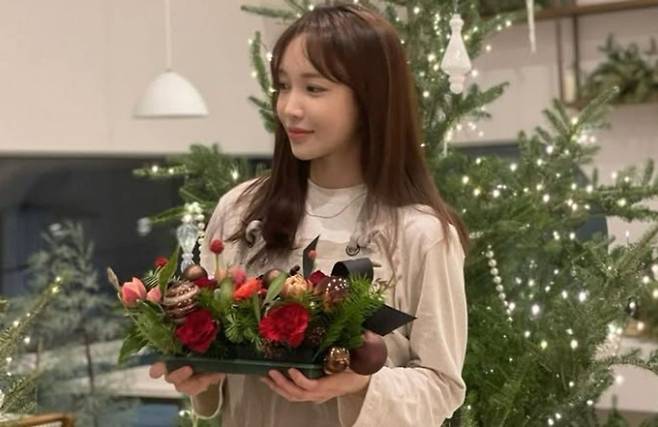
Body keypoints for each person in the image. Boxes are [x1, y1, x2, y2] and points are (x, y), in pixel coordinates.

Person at [149, 3, 468, 426]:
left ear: (370, 99)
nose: (289, 108)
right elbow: (214, 364)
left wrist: (360, 384)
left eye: (314, 89)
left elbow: (443, 387)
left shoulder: (421, 233)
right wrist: (196, 373)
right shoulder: (240, 211)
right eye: (283, 86)